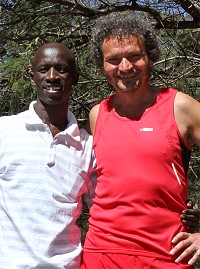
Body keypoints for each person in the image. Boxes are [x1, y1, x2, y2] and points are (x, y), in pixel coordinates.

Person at [81, 11, 200, 269]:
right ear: (102, 65)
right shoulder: (97, 114)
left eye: (134, 56)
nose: (125, 67)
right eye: (114, 59)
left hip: (166, 256)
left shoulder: (180, 107)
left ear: (151, 57)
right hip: (100, 254)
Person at [0, 42, 95, 269]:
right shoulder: (5, 131)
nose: (52, 76)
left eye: (61, 69)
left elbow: (109, 208)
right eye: (44, 69)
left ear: (75, 77)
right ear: (32, 76)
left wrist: (176, 210)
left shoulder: (88, 146)